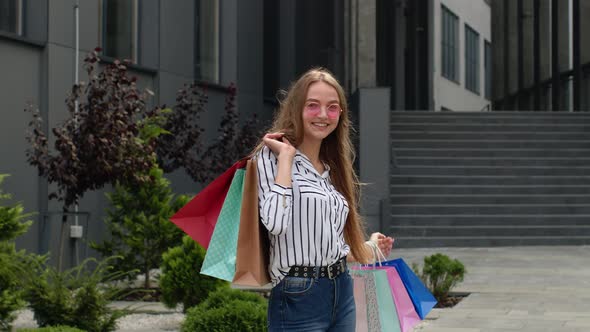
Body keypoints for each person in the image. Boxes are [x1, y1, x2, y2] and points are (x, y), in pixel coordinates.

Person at [252, 67, 394, 331]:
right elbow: (275, 224)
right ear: (297, 108)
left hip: (341, 288)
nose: (322, 115)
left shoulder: (330, 169)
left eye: (332, 107)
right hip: (298, 294)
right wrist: (286, 158)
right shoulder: (270, 158)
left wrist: (370, 247)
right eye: (313, 105)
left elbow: (328, 245)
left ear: (340, 115)